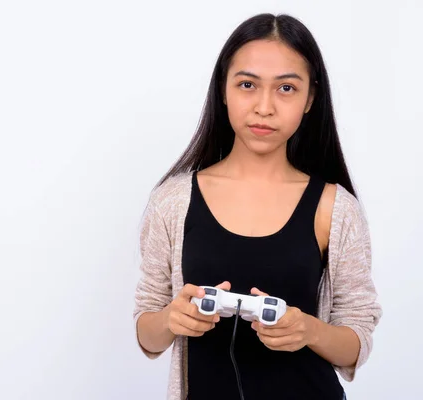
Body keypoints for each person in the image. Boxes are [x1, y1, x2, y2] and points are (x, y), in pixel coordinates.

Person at [132, 13, 382, 400]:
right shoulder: (172, 200)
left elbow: (358, 337)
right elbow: (148, 333)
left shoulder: (335, 208)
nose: (264, 107)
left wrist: (308, 330)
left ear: (309, 99)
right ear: (223, 90)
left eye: (286, 88)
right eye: (247, 84)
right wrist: (171, 318)